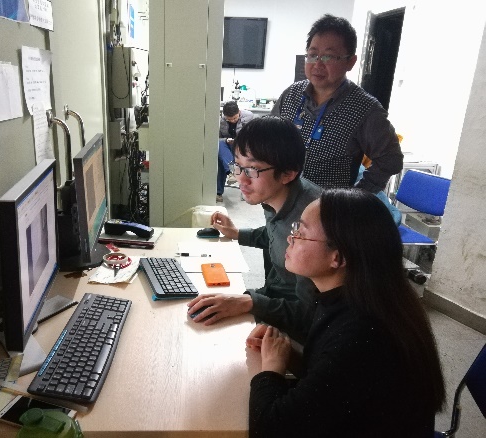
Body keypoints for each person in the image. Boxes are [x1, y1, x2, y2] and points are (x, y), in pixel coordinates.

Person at [247, 188, 445, 437]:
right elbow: (330, 375)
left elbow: (269, 429)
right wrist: (285, 354)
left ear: (337, 258)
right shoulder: (356, 297)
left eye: (301, 233)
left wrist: (272, 367)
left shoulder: (363, 335)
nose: (290, 237)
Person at [188, 116, 322, 341]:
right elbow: (275, 233)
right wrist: (237, 234)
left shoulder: (310, 224)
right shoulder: (280, 194)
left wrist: (250, 302)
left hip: (297, 329)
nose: (241, 179)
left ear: (288, 173)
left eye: (252, 169)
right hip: (273, 297)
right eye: (238, 166)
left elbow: (311, 315)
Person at [271, 14, 403, 194]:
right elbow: (269, 138)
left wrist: (356, 196)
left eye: (328, 57)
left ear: (350, 62)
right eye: (312, 55)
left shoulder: (365, 109)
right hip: (281, 199)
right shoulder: (292, 94)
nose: (318, 64)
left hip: (327, 207)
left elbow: (391, 160)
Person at [217, 101, 255, 202]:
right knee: (220, 145)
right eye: (229, 119)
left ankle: (231, 172)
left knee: (221, 159)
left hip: (244, 146)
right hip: (228, 147)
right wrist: (226, 140)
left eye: (234, 118)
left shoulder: (249, 117)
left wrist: (238, 140)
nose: (232, 121)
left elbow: (254, 136)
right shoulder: (222, 121)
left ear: (239, 112)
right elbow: (218, 138)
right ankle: (231, 172)